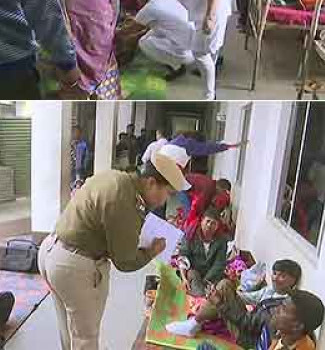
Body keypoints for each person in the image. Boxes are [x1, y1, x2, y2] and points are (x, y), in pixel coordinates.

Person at [38, 145, 191, 350]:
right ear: (151, 182)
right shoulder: (125, 199)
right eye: (168, 193)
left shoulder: (118, 178)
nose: (166, 201)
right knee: (85, 337)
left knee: (69, 328)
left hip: (52, 250)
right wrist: (152, 251)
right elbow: (125, 262)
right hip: (74, 266)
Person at [168, 259, 302, 349]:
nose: (275, 278)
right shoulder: (271, 290)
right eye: (274, 274)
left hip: (246, 335)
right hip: (249, 319)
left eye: (282, 276)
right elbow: (249, 297)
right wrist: (229, 292)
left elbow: (246, 323)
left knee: (221, 292)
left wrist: (220, 303)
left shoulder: (283, 309)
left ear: (293, 281)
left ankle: (193, 324)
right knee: (225, 285)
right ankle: (194, 323)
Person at [55, 0, 122, 99]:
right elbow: (115, 5)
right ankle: (101, 89)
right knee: (102, 47)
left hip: (73, 10)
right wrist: (110, 29)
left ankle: (76, 88)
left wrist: (65, 22)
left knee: (74, 45)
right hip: (99, 15)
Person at [130, 0, 194, 80]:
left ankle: (176, 66)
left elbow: (131, 29)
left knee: (144, 42)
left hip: (186, 51)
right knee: (151, 32)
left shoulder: (151, 7)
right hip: (193, 43)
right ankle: (175, 60)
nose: (137, 0)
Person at [177, 208, 228, 297]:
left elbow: (219, 264)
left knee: (223, 287)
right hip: (194, 273)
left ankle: (202, 296)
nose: (209, 225)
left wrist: (205, 281)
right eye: (207, 221)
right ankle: (201, 296)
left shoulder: (221, 241)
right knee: (194, 279)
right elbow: (183, 256)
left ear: (217, 226)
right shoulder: (190, 235)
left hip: (211, 276)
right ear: (201, 221)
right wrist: (184, 279)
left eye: (213, 223)